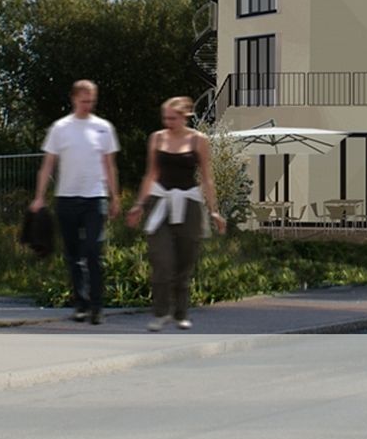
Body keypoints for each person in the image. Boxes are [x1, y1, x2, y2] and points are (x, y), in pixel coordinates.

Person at [127, 97, 227, 331]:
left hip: (189, 203)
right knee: (162, 261)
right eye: (165, 118)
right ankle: (161, 313)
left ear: (184, 117)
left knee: (184, 261)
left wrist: (214, 211)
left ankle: (181, 313)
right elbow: (151, 174)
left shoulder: (198, 140)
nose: (168, 122)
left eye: (173, 118)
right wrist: (139, 205)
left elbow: (207, 177)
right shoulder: (157, 138)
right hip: (160, 201)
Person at [31, 80, 120, 324]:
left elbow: (109, 165)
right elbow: (48, 164)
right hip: (67, 198)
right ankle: (81, 304)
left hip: (95, 197)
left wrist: (115, 196)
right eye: (83, 100)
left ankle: (97, 306)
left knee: (93, 250)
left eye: (91, 101)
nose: (87, 105)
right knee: (73, 255)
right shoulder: (61, 128)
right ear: (73, 99)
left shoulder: (103, 128)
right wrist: (39, 196)